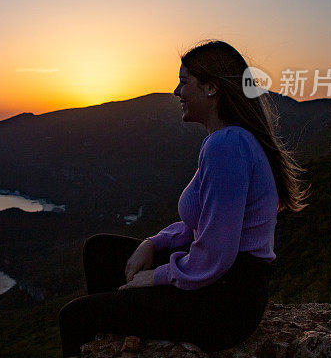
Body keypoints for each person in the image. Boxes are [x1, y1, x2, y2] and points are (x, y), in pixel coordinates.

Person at [58, 40, 308, 357]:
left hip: (224, 303)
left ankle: (119, 319)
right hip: (224, 287)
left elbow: (216, 253)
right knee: (100, 250)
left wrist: (158, 277)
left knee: (74, 317)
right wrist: (154, 242)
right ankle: (122, 324)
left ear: (211, 88)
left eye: (184, 81)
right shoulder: (230, 140)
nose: (177, 92)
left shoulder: (226, 146)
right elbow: (204, 223)